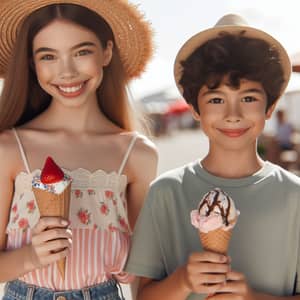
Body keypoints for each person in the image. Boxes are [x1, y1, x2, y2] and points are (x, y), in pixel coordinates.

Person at [125, 14, 300, 300]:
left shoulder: (295, 196)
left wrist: (253, 298)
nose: (233, 115)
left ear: (270, 107)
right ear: (195, 109)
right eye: (216, 100)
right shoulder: (166, 192)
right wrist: (182, 281)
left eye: (249, 98)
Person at [0, 1, 158, 299]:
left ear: (107, 52)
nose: (67, 71)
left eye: (82, 52)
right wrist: (31, 257)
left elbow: (143, 273)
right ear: (33, 64)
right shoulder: (9, 148)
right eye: (48, 56)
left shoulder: (137, 154)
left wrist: (134, 266)